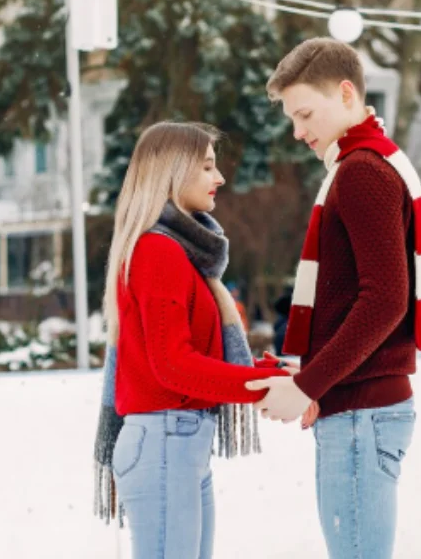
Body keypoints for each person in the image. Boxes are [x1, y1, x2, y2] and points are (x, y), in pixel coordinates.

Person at [246, 38, 421, 558]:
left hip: (360, 414)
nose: (298, 131)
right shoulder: (366, 164)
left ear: (347, 93)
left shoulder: (361, 173)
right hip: (361, 410)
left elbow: (384, 300)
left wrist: (308, 384)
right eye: (291, 118)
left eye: (304, 113)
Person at [91, 121, 291, 559]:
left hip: (177, 443)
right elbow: (174, 366)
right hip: (165, 440)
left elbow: (198, 358)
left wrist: (278, 374)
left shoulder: (179, 254)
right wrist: (260, 387)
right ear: (173, 171)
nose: (219, 178)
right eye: (206, 167)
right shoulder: (159, 251)